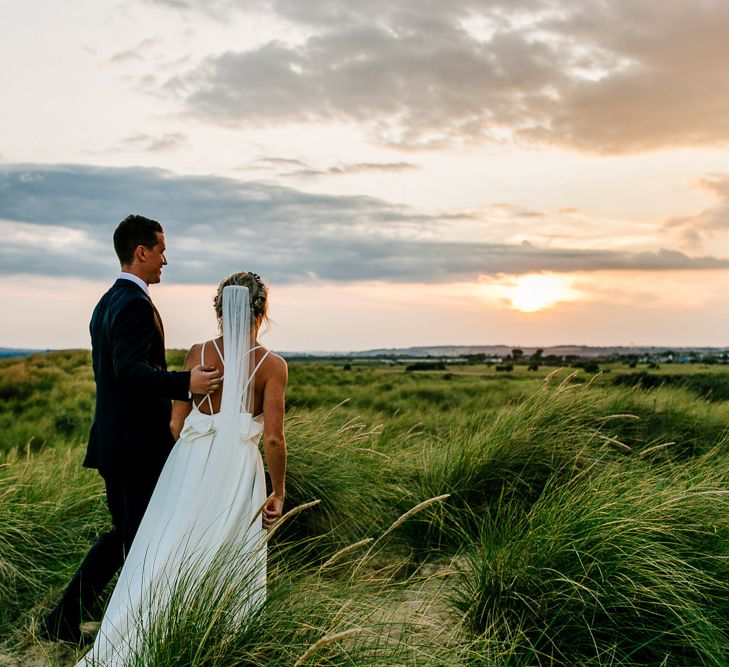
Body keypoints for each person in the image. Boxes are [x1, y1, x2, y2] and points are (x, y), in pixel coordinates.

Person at [75, 271, 287, 666]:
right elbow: (274, 438)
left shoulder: (197, 355)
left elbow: (176, 423)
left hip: (190, 461)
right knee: (229, 549)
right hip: (241, 469)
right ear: (262, 310)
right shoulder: (272, 366)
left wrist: (192, 459)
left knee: (173, 545)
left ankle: (148, 628)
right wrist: (279, 491)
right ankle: (224, 639)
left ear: (219, 309)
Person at [39, 214, 222, 644]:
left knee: (126, 536)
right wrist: (185, 383)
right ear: (141, 252)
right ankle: (132, 632)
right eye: (161, 251)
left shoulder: (106, 302)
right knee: (140, 541)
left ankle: (62, 622)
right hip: (135, 448)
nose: (165, 260)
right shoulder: (135, 305)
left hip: (114, 443)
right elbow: (129, 373)